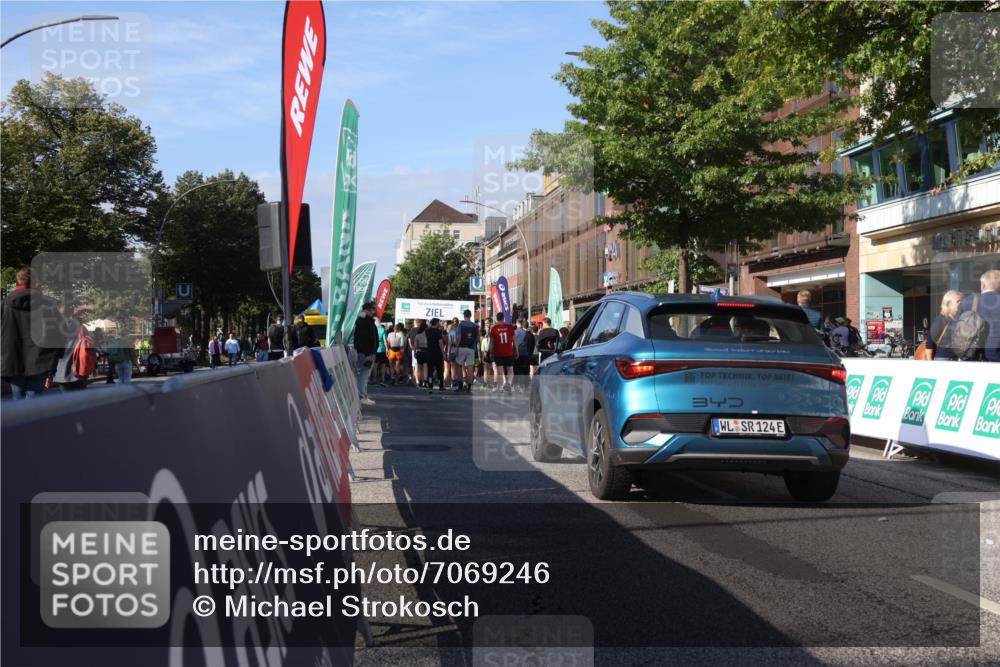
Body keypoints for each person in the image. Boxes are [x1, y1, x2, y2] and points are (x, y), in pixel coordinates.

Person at [1, 267, 62, 399]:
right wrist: (52, 370)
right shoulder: (48, 305)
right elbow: (58, 338)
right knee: (34, 406)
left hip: (13, 362)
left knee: (18, 404)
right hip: (40, 362)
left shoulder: (4, 305)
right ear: (35, 283)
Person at [958, 269, 1000, 362]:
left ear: (983, 285)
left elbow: (955, 328)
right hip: (996, 356)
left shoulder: (967, 301)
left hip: (970, 355)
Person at [52, 303, 88, 392]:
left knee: (67, 401)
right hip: (80, 368)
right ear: (72, 313)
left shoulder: (54, 329)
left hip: (61, 370)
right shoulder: (81, 328)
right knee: (81, 401)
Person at [353, 302, 380, 405]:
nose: (372, 312)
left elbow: (368, 338)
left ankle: (363, 395)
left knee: (365, 376)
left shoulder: (365, 321)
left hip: (367, 353)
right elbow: (364, 339)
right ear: (366, 310)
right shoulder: (364, 321)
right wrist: (368, 353)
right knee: (363, 376)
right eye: (371, 310)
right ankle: (362, 396)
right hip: (366, 353)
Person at [927, 290, 963, 361]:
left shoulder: (959, 319)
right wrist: (929, 362)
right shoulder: (941, 319)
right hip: (943, 359)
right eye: (958, 301)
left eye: (961, 301)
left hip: (956, 358)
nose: (961, 303)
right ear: (949, 303)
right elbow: (930, 341)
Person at [452, 309, 480, 392]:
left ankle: (460, 386)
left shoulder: (461, 325)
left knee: (458, 366)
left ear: (464, 316)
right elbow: (478, 339)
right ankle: (469, 387)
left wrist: (456, 348)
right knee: (470, 368)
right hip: (471, 349)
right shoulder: (475, 326)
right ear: (471, 315)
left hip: (462, 347)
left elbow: (459, 337)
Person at [489, 315, 517, 392]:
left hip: (498, 352)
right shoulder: (509, 327)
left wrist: (491, 352)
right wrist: (516, 350)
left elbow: (491, 342)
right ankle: (509, 383)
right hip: (509, 352)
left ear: (497, 318)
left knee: (500, 371)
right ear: (503, 318)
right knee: (510, 370)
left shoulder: (494, 328)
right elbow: (515, 340)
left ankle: (501, 387)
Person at [424, 317, 446, 392]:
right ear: (436, 323)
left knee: (430, 369)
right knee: (439, 369)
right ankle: (441, 385)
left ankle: (430, 384)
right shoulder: (438, 332)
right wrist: (443, 353)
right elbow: (440, 343)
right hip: (437, 353)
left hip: (429, 352)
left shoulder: (427, 331)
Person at [513, 318, 535, 391]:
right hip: (526, 354)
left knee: (518, 370)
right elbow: (531, 344)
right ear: (522, 324)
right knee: (526, 370)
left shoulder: (514, 332)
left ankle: (519, 385)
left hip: (517, 354)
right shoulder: (527, 333)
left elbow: (512, 344)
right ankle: (526, 386)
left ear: (517, 323)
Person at [408, 319, 427, 387]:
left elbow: (413, 344)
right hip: (426, 351)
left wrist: (414, 350)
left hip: (418, 351)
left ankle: (418, 380)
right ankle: (425, 381)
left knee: (418, 367)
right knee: (425, 367)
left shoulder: (416, 334)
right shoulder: (427, 335)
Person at [480, 321, 494, 390]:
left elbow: (483, 350)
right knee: (492, 370)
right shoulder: (494, 339)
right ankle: (491, 384)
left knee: (486, 370)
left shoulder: (484, 339)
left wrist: (482, 357)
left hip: (486, 353)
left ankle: (485, 384)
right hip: (493, 354)